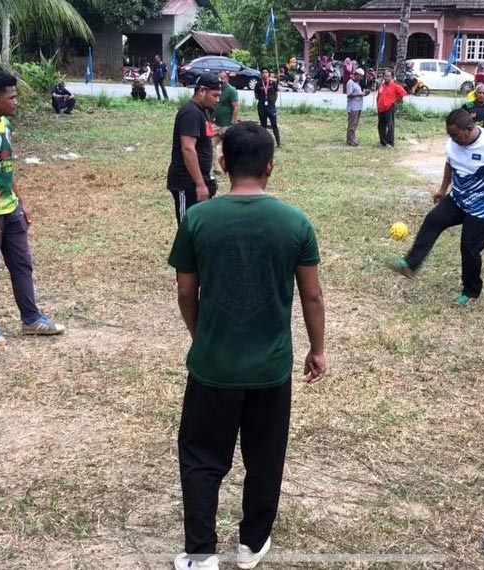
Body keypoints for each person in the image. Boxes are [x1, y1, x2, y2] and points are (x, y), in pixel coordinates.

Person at [168, 121, 326, 570]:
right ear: (270, 167)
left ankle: (200, 553)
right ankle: (252, 544)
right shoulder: (295, 222)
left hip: (212, 366)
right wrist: (318, 349)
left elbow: (185, 293)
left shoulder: (198, 219)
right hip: (270, 370)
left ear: (222, 163)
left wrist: (204, 338)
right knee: (265, 456)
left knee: (201, 458)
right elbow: (312, 295)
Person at [0, 71, 66, 346]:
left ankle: (31, 319)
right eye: (12, 97)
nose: (15, 101)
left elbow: (5, 170)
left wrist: (22, 203)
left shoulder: (5, 124)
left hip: (10, 207)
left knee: (22, 263)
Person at [390, 109, 484, 306]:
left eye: (455, 134)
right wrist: (442, 189)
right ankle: (411, 264)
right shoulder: (453, 143)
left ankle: (471, 292)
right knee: (434, 220)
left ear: (469, 129)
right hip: (459, 197)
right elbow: (450, 163)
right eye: (450, 135)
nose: (452, 139)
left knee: (469, 247)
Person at [167, 73, 221, 224]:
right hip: (187, 182)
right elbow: (188, 149)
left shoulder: (201, 111)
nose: (218, 100)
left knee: (200, 226)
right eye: (215, 95)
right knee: (188, 226)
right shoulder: (190, 113)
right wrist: (200, 184)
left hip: (198, 180)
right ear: (202, 91)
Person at [212, 71, 239, 173]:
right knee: (211, 145)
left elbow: (236, 108)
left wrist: (232, 123)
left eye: (222, 78)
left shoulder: (232, 91)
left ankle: (227, 167)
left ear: (227, 79)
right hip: (216, 123)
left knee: (223, 148)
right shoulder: (218, 90)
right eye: (219, 78)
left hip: (227, 124)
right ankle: (216, 168)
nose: (220, 80)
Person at [376, 70, 407, 148]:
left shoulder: (395, 86)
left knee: (390, 125)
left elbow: (403, 93)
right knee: (381, 126)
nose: (386, 78)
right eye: (385, 76)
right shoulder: (382, 85)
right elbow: (379, 95)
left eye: (388, 76)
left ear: (391, 77)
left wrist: (395, 102)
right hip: (380, 108)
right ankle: (383, 142)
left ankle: (390, 142)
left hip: (389, 108)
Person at [254, 68, 281, 147]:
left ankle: (278, 143)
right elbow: (256, 96)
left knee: (274, 124)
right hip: (262, 106)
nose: (264, 74)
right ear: (261, 74)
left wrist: (272, 102)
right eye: (263, 72)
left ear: (269, 74)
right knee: (263, 125)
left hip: (271, 106)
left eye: (266, 72)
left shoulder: (273, 83)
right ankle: (264, 143)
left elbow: (276, 94)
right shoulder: (258, 84)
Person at [346, 68, 369, 146]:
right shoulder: (350, 83)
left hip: (358, 107)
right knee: (352, 124)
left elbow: (358, 93)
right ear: (356, 75)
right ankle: (350, 140)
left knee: (355, 124)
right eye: (360, 76)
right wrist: (361, 94)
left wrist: (364, 94)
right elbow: (349, 95)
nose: (361, 78)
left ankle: (352, 139)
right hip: (353, 107)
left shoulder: (357, 83)